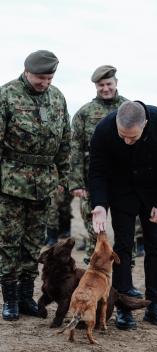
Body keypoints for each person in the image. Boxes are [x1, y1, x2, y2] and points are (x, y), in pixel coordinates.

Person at [89, 101, 157, 329]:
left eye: (132, 137)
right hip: (122, 191)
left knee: (154, 247)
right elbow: (97, 170)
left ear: (145, 125)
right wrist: (100, 204)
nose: (127, 141)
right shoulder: (103, 129)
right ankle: (124, 307)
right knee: (122, 247)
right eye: (122, 136)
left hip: (153, 192)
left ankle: (154, 306)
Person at [0, 50, 71, 321]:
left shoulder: (57, 97)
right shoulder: (6, 95)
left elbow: (65, 141)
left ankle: (27, 296)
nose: (45, 83)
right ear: (27, 71)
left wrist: (63, 177)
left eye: (50, 78)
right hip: (10, 184)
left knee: (33, 244)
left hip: (44, 184)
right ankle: (10, 300)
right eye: (41, 77)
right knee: (9, 242)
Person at [70, 65, 143, 297]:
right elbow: (75, 150)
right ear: (96, 86)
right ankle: (89, 284)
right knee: (95, 234)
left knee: (125, 236)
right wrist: (77, 183)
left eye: (108, 84)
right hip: (93, 182)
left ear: (116, 82)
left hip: (124, 183)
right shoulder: (84, 112)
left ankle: (124, 285)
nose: (105, 88)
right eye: (101, 85)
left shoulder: (131, 108)